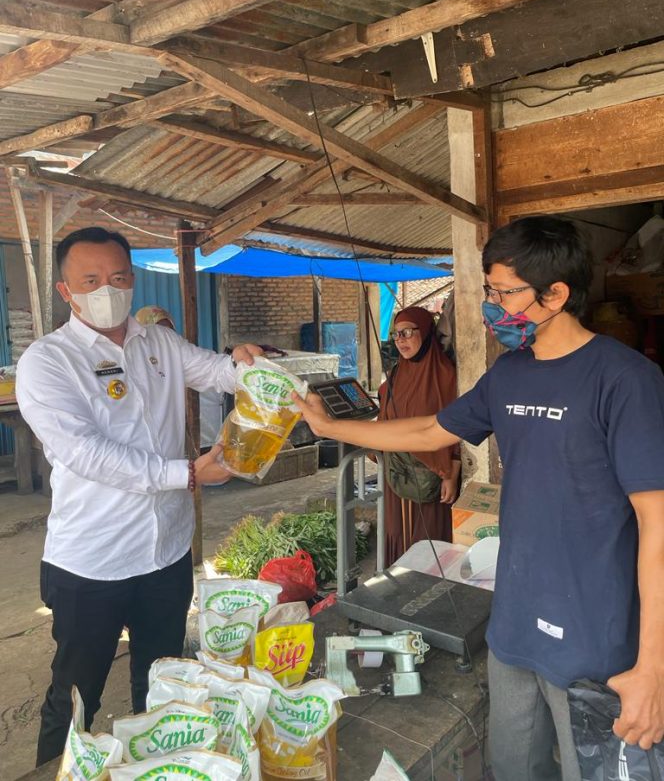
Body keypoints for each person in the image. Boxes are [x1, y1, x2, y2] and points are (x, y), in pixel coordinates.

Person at [294, 216, 664, 780]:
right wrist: (331, 429)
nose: (491, 306)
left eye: (504, 292)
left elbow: (657, 525)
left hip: (597, 636)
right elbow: (427, 433)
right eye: (488, 290)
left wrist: (653, 668)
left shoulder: (626, 380)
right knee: (514, 766)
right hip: (513, 624)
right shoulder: (508, 374)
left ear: (556, 294)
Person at [16, 227, 262, 766]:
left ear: (133, 278)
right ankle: (54, 772)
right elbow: (87, 453)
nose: (109, 288)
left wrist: (247, 363)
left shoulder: (159, 343)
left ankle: (156, 769)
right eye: (91, 280)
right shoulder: (48, 361)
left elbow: (217, 371)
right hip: (92, 564)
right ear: (66, 291)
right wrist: (188, 474)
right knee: (77, 699)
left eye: (119, 277)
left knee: (163, 681)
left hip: (165, 554)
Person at [379, 306, 460, 565]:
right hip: (397, 477)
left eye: (407, 332)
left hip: (432, 479)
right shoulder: (394, 377)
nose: (401, 340)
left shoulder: (446, 376)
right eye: (396, 334)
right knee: (398, 533)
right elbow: (383, 423)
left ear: (425, 333)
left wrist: (451, 473)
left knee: (429, 540)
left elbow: (459, 430)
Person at [134, 305, 223, 449]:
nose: (164, 334)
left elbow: (213, 370)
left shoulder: (177, 355)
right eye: (158, 329)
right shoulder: (132, 363)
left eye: (169, 329)